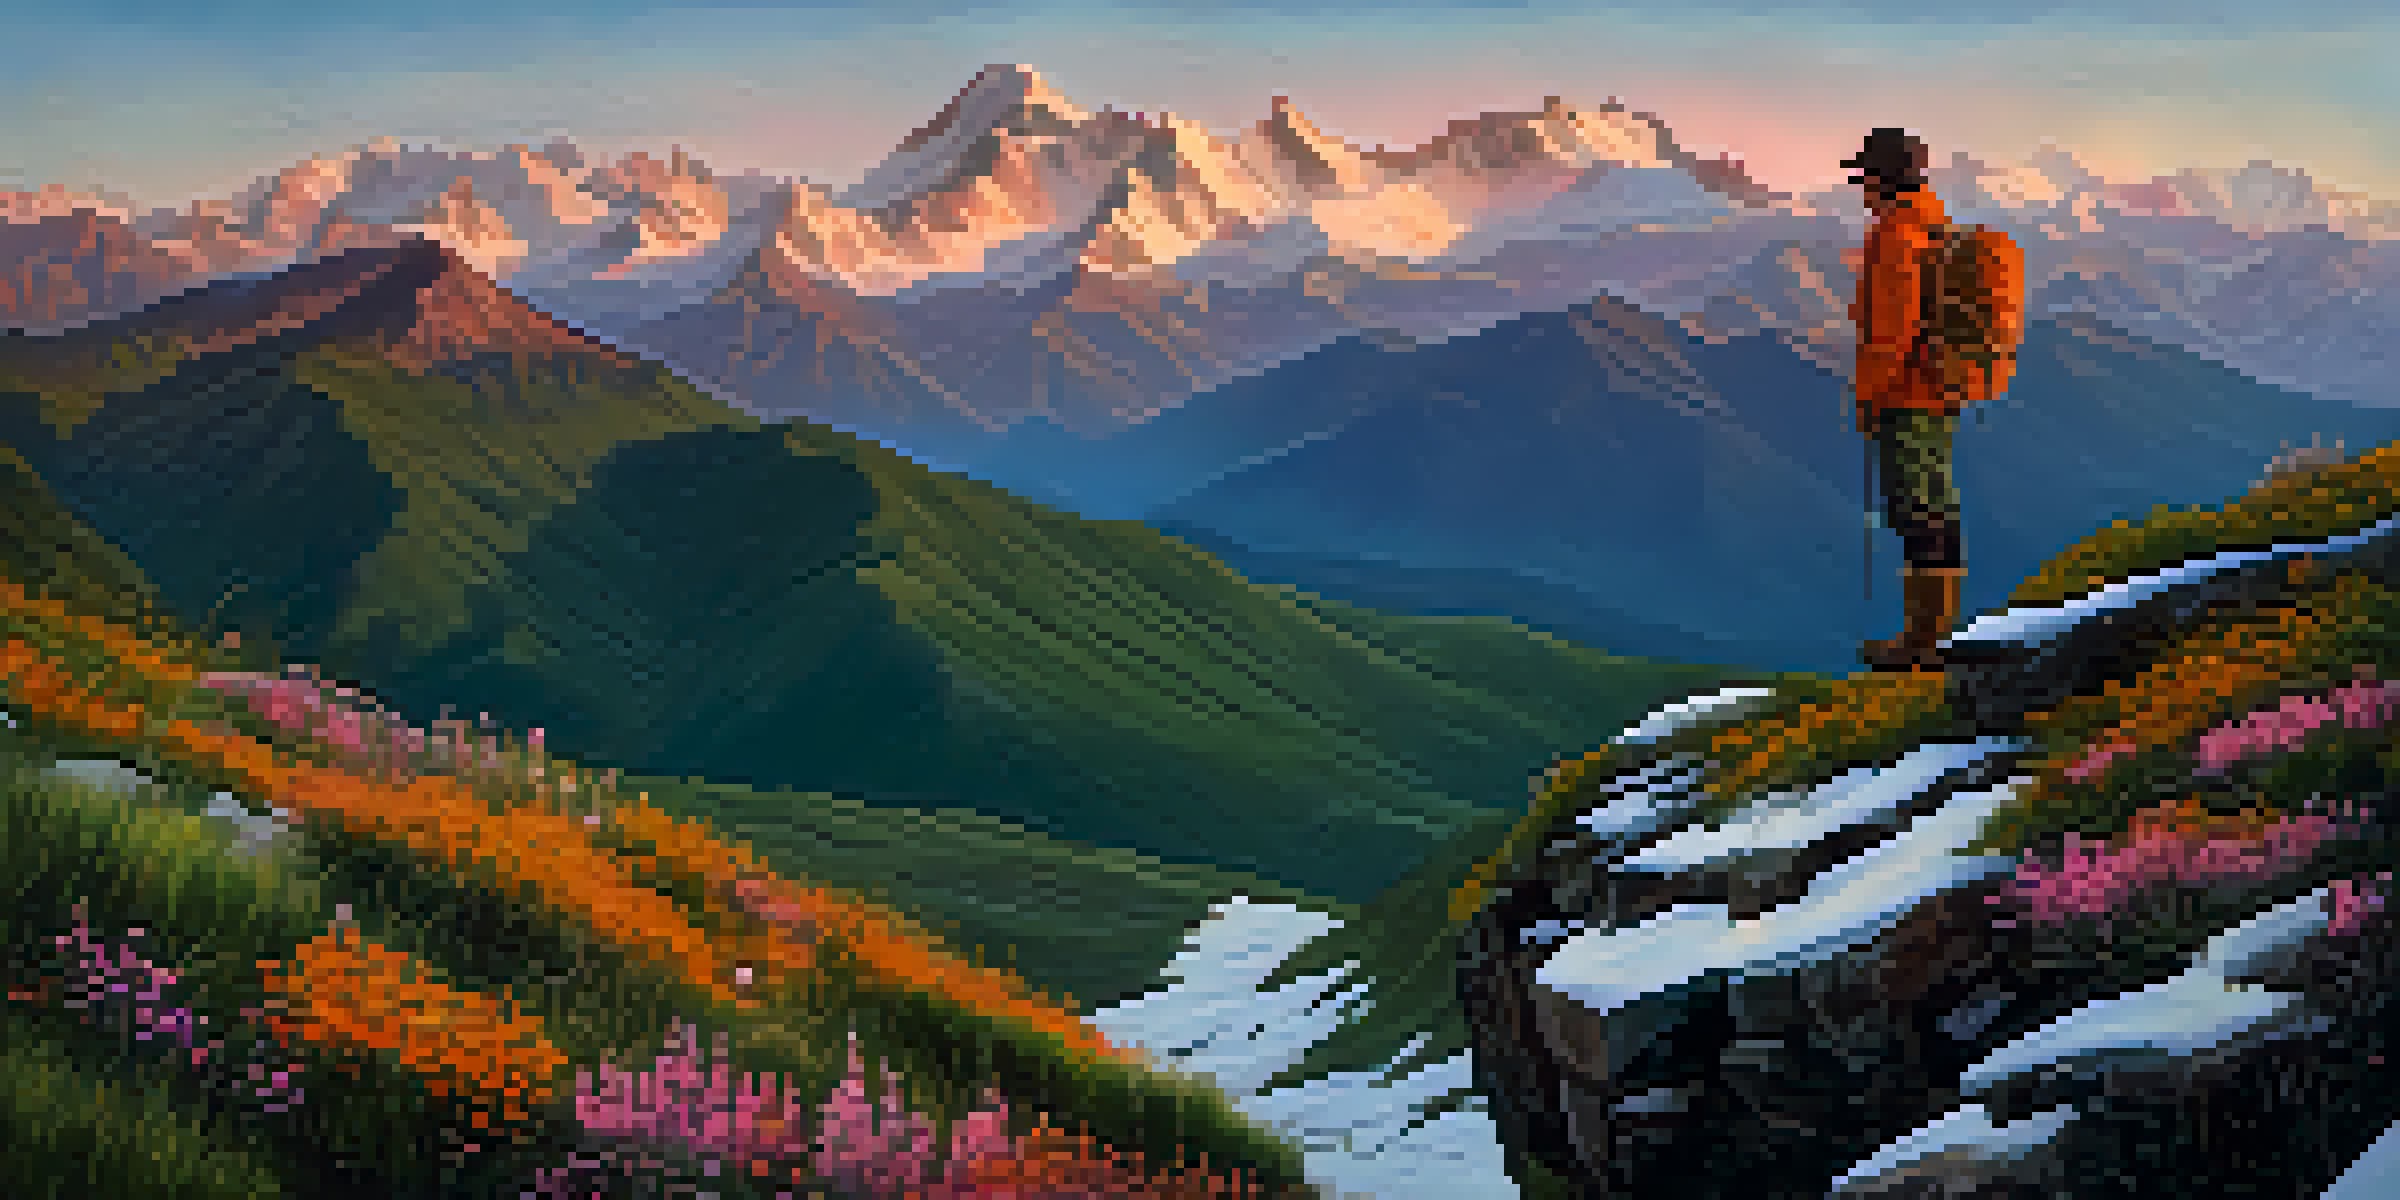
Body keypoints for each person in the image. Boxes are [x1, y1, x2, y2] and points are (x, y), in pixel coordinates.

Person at [1845, 128, 2015, 671]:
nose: (1861, 188)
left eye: (1865, 176)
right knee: (1935, 504)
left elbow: (1891, 330)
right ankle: (1932, 634)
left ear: (1880, 178)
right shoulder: (1932, 225)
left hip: (1908, 393)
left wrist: (1868, 396)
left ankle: (1923, 643)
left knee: (1916, 509)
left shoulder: (1895, 237)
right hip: (1940, 386)